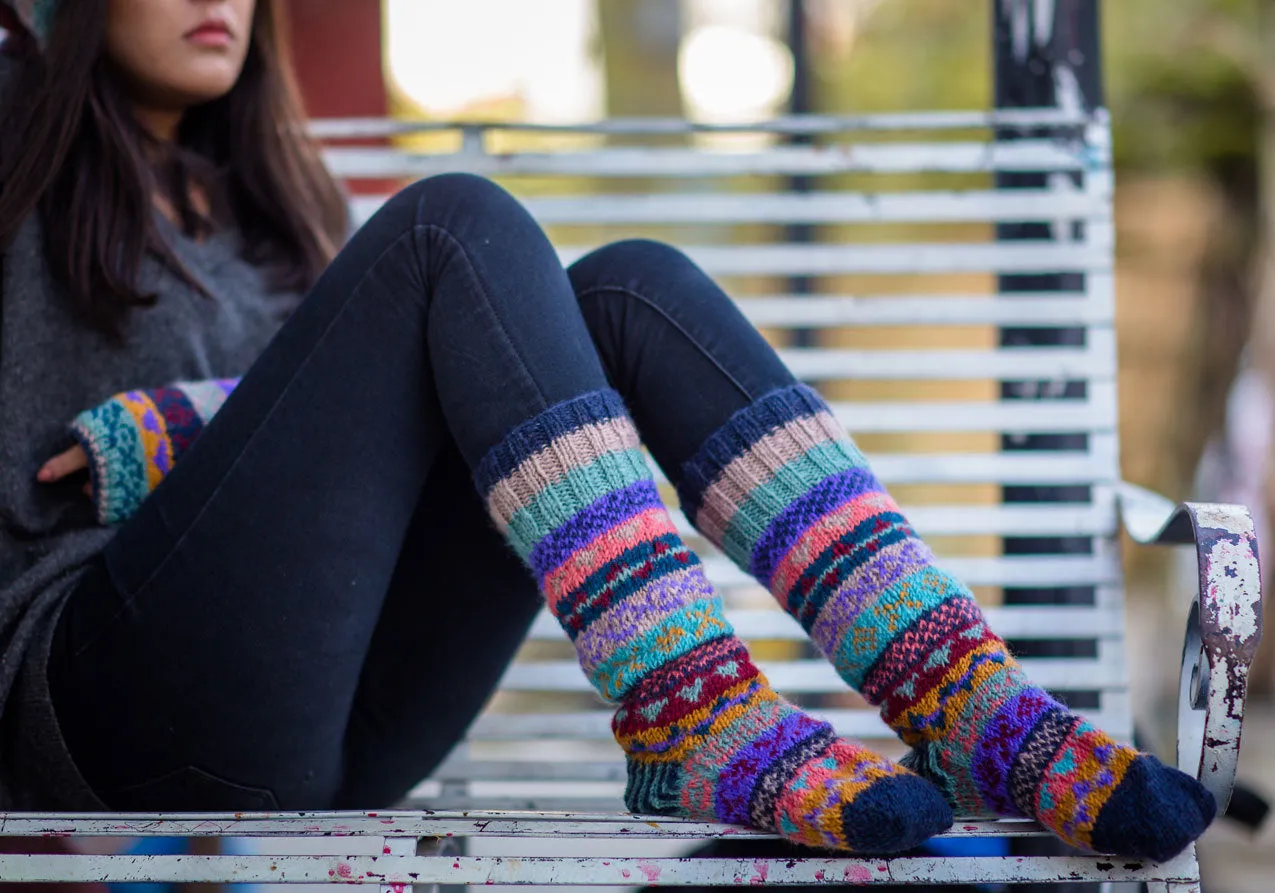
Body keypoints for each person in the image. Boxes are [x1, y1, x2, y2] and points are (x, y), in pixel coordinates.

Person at [0, 0, 1214, 863]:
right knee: (450, 228)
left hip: (337, 733)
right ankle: (694, 713)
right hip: (101, 710)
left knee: (629, 290)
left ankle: (967, 702)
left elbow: (317, 452)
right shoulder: (21, 142)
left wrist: (198, 423)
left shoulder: (271, 202)